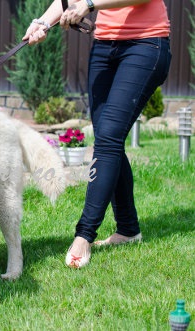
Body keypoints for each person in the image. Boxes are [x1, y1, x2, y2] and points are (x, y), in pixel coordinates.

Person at [23, 0, 171, 268]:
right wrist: (43, 22)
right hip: (104, 48)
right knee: (107, 138)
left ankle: (84, 235)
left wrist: (89, 5)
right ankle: (128, 230)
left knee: (108, 139)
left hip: (146, 44)